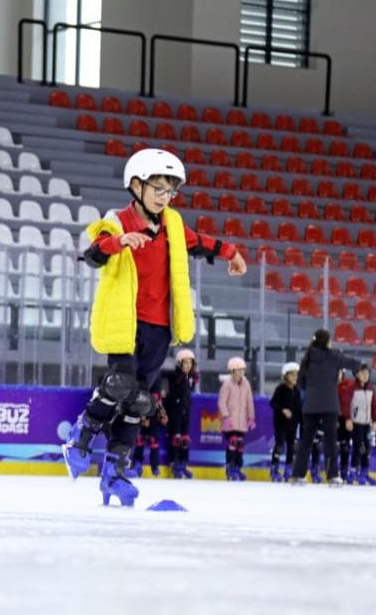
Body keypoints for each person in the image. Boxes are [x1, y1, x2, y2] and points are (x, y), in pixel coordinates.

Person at [62, 148, 247, 506]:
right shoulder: (117, 219)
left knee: (140, 402)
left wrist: (231, 252)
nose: (164, 197)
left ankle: (114, 474)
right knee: (119, 384)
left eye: (170, 191)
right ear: (136, 185)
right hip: (125, 322)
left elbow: (200, 243)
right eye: (158, 188)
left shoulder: (174, 224)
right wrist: (121, 242)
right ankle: (80, 436)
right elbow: (94, 252)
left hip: (160, 327)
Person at [290, 329, 360, 486]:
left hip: (310, 405)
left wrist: (313, 389)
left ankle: (298, 474)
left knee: (306, 440)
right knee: (330, 441)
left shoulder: (306, 359)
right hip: (329, 405)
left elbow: (300, 383)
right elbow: (354, 363)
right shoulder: (334, 357)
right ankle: (332, 475)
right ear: (327, 342)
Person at [339, 362, 376, 486]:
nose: (365, 375)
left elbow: (375, 405)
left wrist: (375, 420)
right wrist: (348, 418)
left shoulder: (371, 388)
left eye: (367, 373)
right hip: (356, 423)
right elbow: (345, 404)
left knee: (367, 449)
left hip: (367, 424)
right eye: (362, 373)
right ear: (356, 374)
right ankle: (353, 471)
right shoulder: (351, 388)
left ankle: (364, 472)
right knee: (358, 447)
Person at [218, 356, 255, 481]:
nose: (241, 373)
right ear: (232, 371)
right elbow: (222, 402)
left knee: (240, 446)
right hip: (230, 423)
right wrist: (226, 417)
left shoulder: (246, 384)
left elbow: (249, 402)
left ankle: (238, 468)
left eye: (243, 370)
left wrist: (251, 417)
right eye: (238, 370)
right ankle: (230, 467)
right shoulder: (227, 384)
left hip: (242, 423)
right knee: (232, 444)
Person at [163, 348, 198, 479]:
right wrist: (163, 389)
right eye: (185, 363)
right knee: (176, 438)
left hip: (185, 411)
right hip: (175, 411)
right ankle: (175, 463)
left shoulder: (190, 378)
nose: (188, 365)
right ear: (179, 363)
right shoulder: (175, 375)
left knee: (184, 438)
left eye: (190, 363)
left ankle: (183, 464)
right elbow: (162, 375)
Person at [269, 361, 302, 483]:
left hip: (293, 425)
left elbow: (299, 407)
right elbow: (273, 403)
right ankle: (274, 468)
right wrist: (283, 410)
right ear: (286, 376)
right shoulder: (281, 389)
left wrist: (300, 420)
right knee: (279, 446)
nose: (295, 377)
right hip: (281, 424)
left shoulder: (297, 391)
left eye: (296, 374)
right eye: (292, 374)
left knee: (291, 448)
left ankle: (288, 469)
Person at [131, 389, 166, 477]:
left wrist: (162, 415)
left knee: (153, 442)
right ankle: (137, 463)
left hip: (153, 420)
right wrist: (142, 418)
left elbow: (161, 409)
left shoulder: (157, 391)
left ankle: (155, 466)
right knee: (139, 440)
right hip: (142, 414)